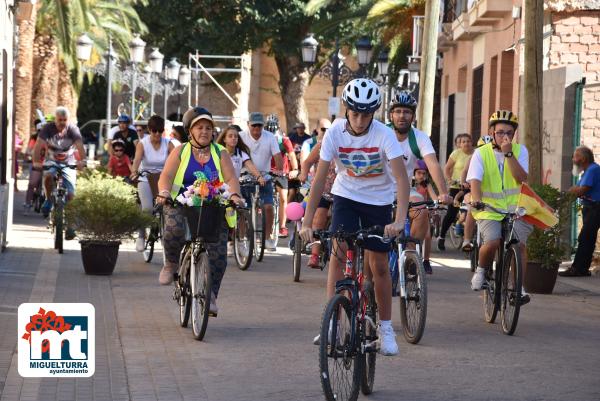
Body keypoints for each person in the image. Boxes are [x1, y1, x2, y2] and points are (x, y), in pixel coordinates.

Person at [300, 78, 410, 356]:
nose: (360, 121)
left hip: (378, 201)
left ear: (374, 113)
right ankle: (334, 323)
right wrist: (306, 222)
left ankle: (385, 328)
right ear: (346, 110)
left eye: (366, 114)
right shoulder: (335, 132)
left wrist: (398, 220)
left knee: (380, 265)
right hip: (346, 197)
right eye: (355, 113)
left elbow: (401, 179)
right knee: (338, 252)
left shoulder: (384, 135)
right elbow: (320, 178)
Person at [155, 107, 244, 315]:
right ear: (190, 131)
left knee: (219, 253)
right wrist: (165, 192)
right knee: (173, 230)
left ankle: (211, 294)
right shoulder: (181, 151)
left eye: (208, 128)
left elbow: (231, 178)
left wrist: (234, 195)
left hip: (213, 206)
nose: (205, 131)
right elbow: (166, 176)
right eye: (200, 127)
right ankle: (170, 263)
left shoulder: (220, 152)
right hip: (182, 204)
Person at [467, 110, 531, 304]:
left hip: (515, 209)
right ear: (492, 132)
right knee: (493, 241)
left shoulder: (521, 151)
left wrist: (509, 154)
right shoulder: (481, 153)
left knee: (519, 245)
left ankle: (518, 287)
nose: (505, 136)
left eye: (509, 133)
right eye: (501, 132)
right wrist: (477, 200)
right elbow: (475, 181)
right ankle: (481, 270)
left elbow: (521, 178)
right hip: (489, 207)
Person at [388, 91, 452, 274]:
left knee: (422, 212)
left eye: (407, 112)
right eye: (398, 111)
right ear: (391, 114)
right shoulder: (381, 132)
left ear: (413, 116)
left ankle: (410, 254)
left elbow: (432, 164)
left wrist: (443, 192)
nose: (402, 115)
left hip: (405, 191)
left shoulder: (419, 138)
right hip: (378, 191)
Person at [33, 106, 86, 239]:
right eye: (59, 119)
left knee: (71, 194)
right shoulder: (48, 128)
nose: (62, 122)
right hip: (51, 160)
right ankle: (49, 199)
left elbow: (79, 145)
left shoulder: (73, 129)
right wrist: (36, 161)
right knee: (48, 176)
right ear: (55, 119)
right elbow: (38, 145)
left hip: (69, 162)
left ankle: (71, 227)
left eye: (65, 119)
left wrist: (83, 161)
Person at [239, 112, 284, 250]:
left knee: (268, 207)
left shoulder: (270, 137)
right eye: (254, 126)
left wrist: (278, 169)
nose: (256, 129)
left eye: (259, 125)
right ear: (248, 125)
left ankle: (267, 237)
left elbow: (277, 156)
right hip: (245, 178)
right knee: (242, 209)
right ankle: (241, 239)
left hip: (265, 178)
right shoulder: (241, 136)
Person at [131, 115, 174, 252]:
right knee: (147, 209)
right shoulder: (142, 143)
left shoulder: (169, 144)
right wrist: (134, 172)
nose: (157, 134)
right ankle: (141, 236)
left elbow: (176, 161)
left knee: (171, 208)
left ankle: (165, 232)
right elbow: (137, 161)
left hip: (163, 179)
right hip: (145, 178)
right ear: (149, 130)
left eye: (160, 131)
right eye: (154, 130)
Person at [298, 120, 336, 268]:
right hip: (323, 190)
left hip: (342, 191)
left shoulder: (347, 145)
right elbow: (307, 162)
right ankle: (314, 254)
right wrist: (303, 174)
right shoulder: (321, 145)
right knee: (319, 216)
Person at [560, 146, 600, 277]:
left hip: (595, 208)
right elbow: (576, 188)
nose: (573, 159)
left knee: (585, 238)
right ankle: (582, 268)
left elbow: (582, 190)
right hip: (590, 208)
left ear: (582, 158)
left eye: (575, 156)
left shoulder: (593, 170)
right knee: (587, 238)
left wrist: (571, 192)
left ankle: (577, 268)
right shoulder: (587, 171)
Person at [266, 114, 298, 239]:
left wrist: (295, 169)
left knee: (284, 198)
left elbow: (291, 155)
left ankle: (282, 227)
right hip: (267, 171)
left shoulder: (284, 140)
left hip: (281, 172)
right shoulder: (263, 139)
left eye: (273, 129)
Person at [439, 133, 474, 247]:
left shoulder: (476, 153)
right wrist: (450, 180)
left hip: (471, 187)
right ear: (460, 144)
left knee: (472, 210)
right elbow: (447, 169)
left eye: (468, 141)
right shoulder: (456, 153)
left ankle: (470, 236)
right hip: (456, 187)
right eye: (463, 142)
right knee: (452, 212)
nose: (466, 143)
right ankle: (442, 236)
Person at [460, 134, 492, 251]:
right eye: (482, 148)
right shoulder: (473, 157)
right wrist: (463, 183)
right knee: (471, 211)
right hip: (475, 191)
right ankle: (467, 240)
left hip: (492, 194)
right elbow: (464, 171)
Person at [412, 160, 437, 272]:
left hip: (423, 212)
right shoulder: (409, 183)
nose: (421, 176)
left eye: (424, 173)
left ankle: (426, 261)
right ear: (414, 173)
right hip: (409, 213)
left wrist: (436, 203)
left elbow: (434, 197)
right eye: (419, 173)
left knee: (427, 236)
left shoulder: (427, 184)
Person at [25, 121, 45, 208]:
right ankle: (28, 202)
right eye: (40, 131)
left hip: (49, 165)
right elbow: (28, 151)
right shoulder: (34, 139)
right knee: (32, 184)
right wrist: (31, 153)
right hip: (37, 165)